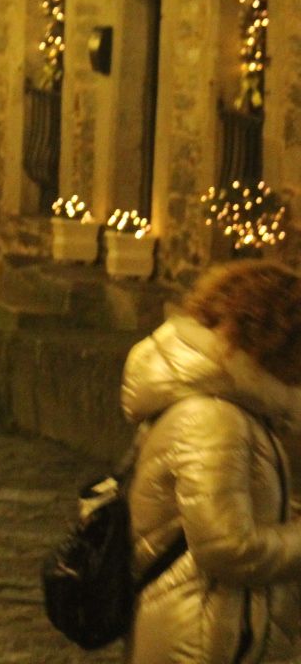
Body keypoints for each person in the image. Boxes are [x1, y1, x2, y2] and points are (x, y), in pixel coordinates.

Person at [122, 259, 301, 664]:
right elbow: (227, 548)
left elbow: (223, 505)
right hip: (204, 641)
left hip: (217, 632)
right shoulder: (214, 418)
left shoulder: (231, 407)